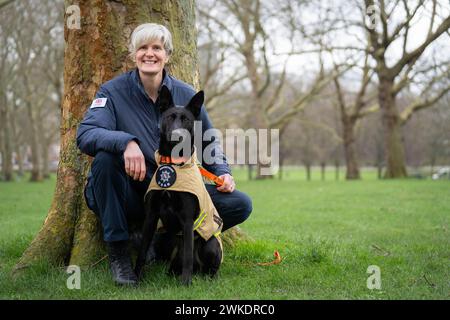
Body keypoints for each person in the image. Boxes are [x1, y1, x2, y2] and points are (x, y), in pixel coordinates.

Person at [76, 23, 252, 286]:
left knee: (239, 203)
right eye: (143, 47)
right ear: (134, 54)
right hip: (134, 192)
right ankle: (120, 255)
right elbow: (86, 133)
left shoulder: (185, 94)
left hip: (178, 189)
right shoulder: (111, 92)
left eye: (156, 48)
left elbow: (208, 141)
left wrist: (222, 172)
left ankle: (163, 242)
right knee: (104, 160)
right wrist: (126, 142)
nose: (150, 53)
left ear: (166, 55)